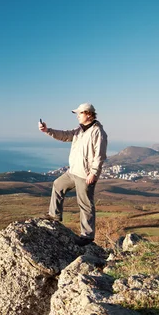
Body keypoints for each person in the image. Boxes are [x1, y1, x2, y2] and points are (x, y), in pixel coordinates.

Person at [38, 103, 108, 246]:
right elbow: (64, 135)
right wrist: (47, 130)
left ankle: (87, 236)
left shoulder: (98, 132)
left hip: (85, 175)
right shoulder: (79, 130)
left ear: (88, 114)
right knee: (57, 184)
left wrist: (94, 173)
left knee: (85, 204)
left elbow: (100, 155)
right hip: (73, 171)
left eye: (80, 113)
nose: (77, 116)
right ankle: (54, 215)